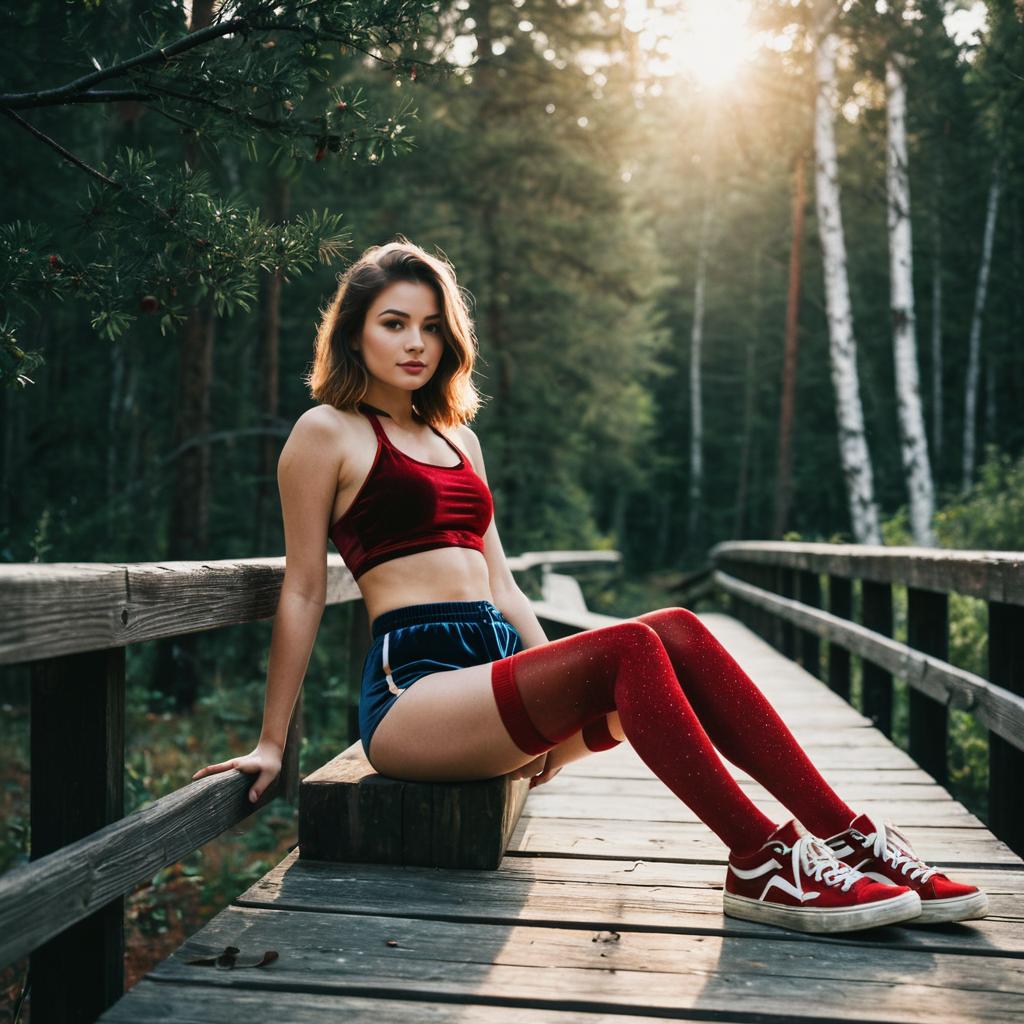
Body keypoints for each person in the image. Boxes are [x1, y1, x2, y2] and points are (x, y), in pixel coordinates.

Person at [192, 237, 988, 936]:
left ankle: (846, 835)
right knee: (632, 646)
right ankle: (761, 859)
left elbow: (503, 583)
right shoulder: (325, 433)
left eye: (431, 326)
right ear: (354, 332)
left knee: (675, 628)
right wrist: (273, 743)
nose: (416, 343)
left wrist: (555, 693)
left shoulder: (458, 439)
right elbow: (302, 591)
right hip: (416, 695)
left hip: (493, 675)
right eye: (394, 323)